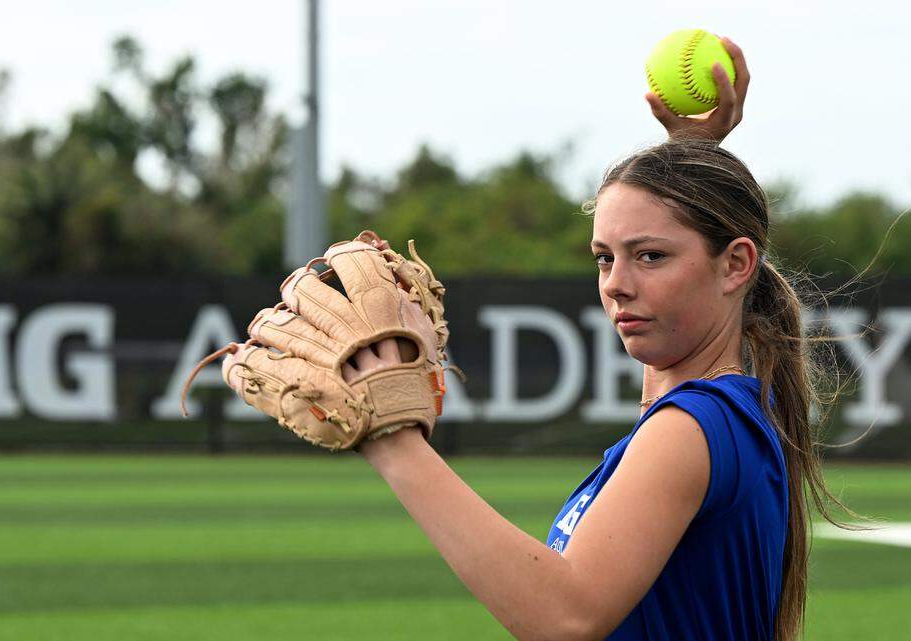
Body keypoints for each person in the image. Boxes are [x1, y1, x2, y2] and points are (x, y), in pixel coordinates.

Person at [346, 36, 858, 640]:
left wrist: (394, 440)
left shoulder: (692, 428)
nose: (616, 284)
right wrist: (689, 164)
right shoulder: (706, 411)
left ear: (736, 264)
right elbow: (669, 370)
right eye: (603, 258)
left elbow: (567, 616)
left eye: (649, 256)